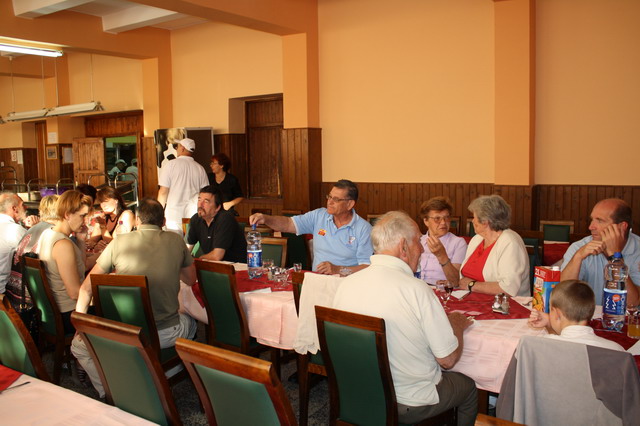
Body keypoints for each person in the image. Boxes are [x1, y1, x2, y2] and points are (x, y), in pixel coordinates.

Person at [333, 211, 477, 425]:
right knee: (469, 387)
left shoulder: (347, 284)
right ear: (403, 247)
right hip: (408, 402)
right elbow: (447, 360)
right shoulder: (416, 290)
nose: (422, 248)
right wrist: (456, 325)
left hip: (357, 393)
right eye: (418, 241)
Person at [72, 198, 198, 398]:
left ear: (137, 220)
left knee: (77, 347)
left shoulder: (119, 242)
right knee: (191, 322)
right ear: (163, 221)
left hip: (124, 332)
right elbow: (191, 280)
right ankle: (165, 375)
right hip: (164, 334)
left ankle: (110, 391)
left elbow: (86, 289)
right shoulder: (176, 241)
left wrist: (81, 326)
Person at [250, 179, 373, 274]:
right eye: (329, 197)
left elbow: (366, 267)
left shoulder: (363, 229)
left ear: (350, 204)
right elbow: (288, 224)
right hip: (316, 280)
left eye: (336, 199)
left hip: (345, 284)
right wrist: (266, 219)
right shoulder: (319, 216)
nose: (329, 202)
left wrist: (338, 270)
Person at [561, 198, 640, 306]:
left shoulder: (638, 249)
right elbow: (563, 294)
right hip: (588, 315)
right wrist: (578, 257)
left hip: (625, 316)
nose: (591, 227)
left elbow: (632, 302)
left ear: (622, 227)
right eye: (592, 219)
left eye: (600, 220)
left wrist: (615, 257)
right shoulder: (579, 247)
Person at [38, 190, 92, 333]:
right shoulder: (63, 244)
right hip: (69, 314)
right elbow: (74, 293)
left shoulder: (48, 233)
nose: (85, 221)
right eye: (82, 216)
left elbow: (81, 267)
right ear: (67, 215)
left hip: (56, 312)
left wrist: (81, 241)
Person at [458, 195, 530, 296]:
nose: (473, 221)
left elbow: (508, 289)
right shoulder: (477, 239)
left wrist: (472, 285)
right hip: (471, 298)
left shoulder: (510, 242)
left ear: (485, 222)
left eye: (474, 217)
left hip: (503, 303)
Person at [528, 280, 624, 351]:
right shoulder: (616, 350)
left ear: (557, 314)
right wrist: (550, 324)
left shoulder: (539, 346)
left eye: (550, 310)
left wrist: (551, 324)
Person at [157, 137, 209, 234]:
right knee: (191, 241)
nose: (176, 149)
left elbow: (163, 192)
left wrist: (158, 212)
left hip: (173, 214)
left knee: (174, 242)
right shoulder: (200, 168)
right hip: (193, 214)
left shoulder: (170, 165)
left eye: (177, 146)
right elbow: (206, 194)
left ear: (182, 148)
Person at [187, 186, 247, 262]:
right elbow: (187, 248)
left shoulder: (225, 218)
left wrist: (199, 259)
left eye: (206, 201)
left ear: (217, 207)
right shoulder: (196, 219)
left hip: (235, 266)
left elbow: (217, 256)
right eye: (199, 200)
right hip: (212, 265)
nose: (200, 204)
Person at [419, 197, 467, 285]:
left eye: (447, 217)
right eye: (437, 218)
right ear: (426, 221)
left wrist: (442, 256)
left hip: (440, 289)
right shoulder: (418, 241)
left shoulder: (458, 243)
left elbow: (456, 281)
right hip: (416, 287)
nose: (443, 222)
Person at [0, 192, 30, 293]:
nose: (26, 207)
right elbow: (34, 256)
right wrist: (34, 229)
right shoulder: (15, 230)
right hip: (4, 291)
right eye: (23, 205)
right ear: (14, 209)